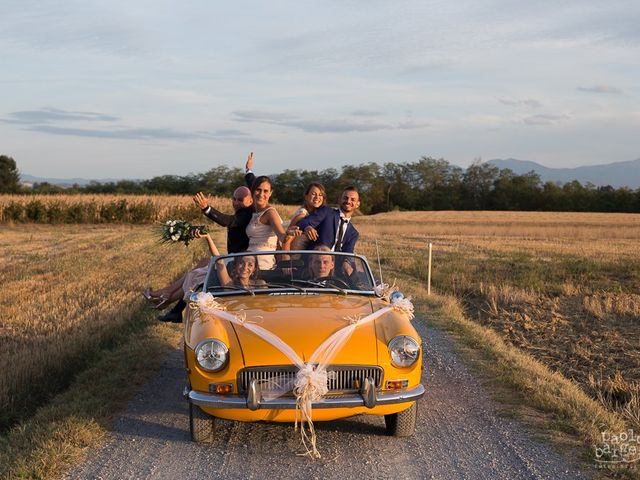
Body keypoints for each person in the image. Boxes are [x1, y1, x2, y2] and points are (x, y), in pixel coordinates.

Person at [143, 185, 253, 322]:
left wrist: (207, 208)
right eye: (234, 199)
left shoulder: (247, 213)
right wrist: (248, 170)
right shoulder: (245, 212)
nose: (236, 203)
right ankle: (169, 298)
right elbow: (254, 183)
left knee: (198, 275)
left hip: (239, 261)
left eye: (240, 200)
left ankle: (168, 299)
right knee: (202, 263)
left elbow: (228, 221)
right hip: (234, 258)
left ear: (250, 201)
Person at [246, 175, 297, 270]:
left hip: (262, 264)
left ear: (270, 193)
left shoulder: (270, 213)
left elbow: (281, 236)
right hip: (248, 260)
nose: (261, 194)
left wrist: (288, 235)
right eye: (258, 189)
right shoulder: (254, 212)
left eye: (265, 191)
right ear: (252, 191)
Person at [296, 186, 361, 253]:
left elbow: (348, 253)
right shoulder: (326, 212)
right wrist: (307, 227)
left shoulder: (353, 233)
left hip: (335, 263)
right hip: (315, 259)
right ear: (339, 199)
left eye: (352, 199)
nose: (348, 201)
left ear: (357, 204)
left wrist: (347, 262)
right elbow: (302, 222)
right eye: (345, 198)